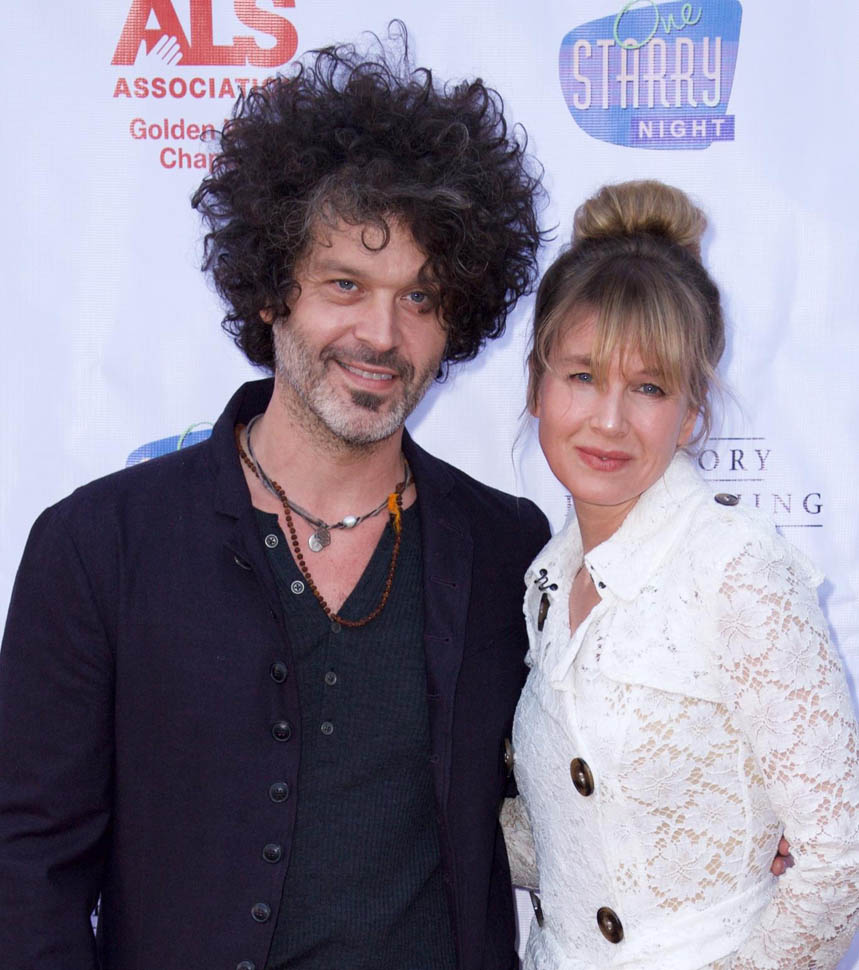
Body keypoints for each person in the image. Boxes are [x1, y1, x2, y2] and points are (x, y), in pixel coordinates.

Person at [0, 27, 550, 970]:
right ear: (270, 291)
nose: (381, 334)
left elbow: (577, 779)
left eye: (419, 298)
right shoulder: (101, 544)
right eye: (344, 284)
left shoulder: (508, 547)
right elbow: (26, 868)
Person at [510, 180, 859, 969]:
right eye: (581, 376)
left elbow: (838, 858)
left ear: (691, 410)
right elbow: (583, 841)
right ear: (536, 386)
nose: (608, 420)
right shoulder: (545, 582)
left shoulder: (736, 567)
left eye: (648, 387)